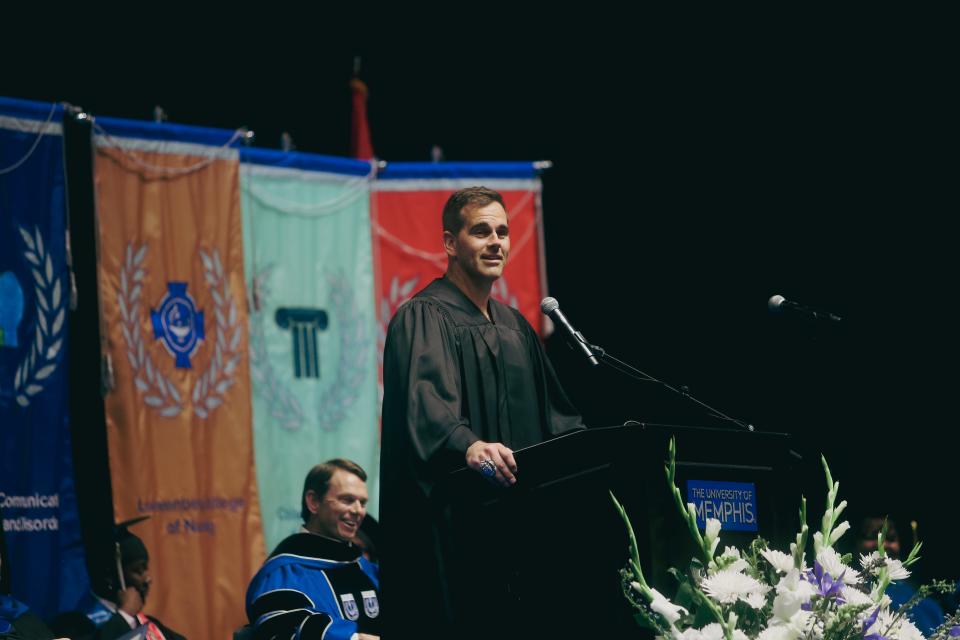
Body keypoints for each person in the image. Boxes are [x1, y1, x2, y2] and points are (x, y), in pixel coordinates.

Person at [379, 187, 585, 637]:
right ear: (451, 243)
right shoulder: (422, 316)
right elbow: (424, 404)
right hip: (459, 530)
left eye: (503, 232)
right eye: (481, 231)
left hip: (521, 531)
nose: (496, 242)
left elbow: (558, 418)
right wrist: (468, 444)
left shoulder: (515, 326)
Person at [245, 459, 381, 640]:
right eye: (347, 500)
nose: (358, 511)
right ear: (314, 502)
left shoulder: (368, 571)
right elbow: (281, 630)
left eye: (362, 503)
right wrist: (354, 639)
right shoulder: (285, 573)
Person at [73, 516, 186, 640]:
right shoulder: (78, 623)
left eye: (145, 569)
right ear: (109, 577)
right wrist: (125, 614)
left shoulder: (148, 623)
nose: (147, 579)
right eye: (138, 571)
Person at [855, 516, 945, 636]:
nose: (882, 545)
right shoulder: (845, 591)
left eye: (891, 538)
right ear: (855, 543)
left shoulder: (926, 604)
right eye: (871, 536)